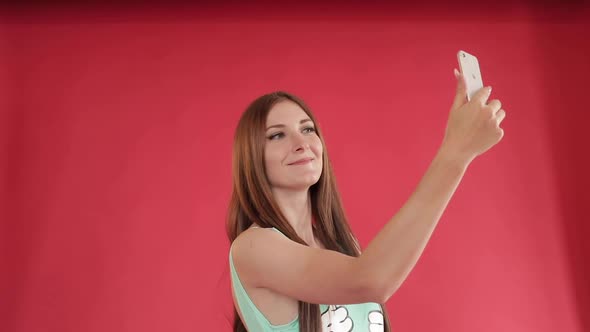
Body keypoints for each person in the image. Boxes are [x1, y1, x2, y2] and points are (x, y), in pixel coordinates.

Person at [226, 68, 506, 332]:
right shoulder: (253, 247)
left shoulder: (341, 243)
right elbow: (371, 280)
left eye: (308, 129)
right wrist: (456, 152)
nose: (301, 143)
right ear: (251, 157)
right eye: (277, 135)